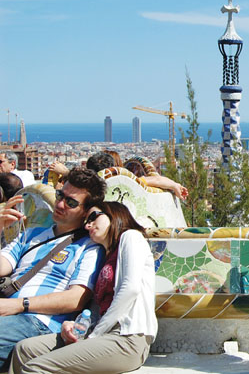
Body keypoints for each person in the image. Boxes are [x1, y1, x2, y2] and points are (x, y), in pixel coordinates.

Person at [10, 201, 157, 374]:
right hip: (102, 334)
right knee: (24, 350)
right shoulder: (106, 255)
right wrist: (78, 325)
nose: (88, 225)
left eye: (94, 217)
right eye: (86, 221)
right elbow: (97, 306)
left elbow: (130, 289)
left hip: (127, 337)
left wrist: (96, 334)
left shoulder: (131, 236)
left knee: (35, 369)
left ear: (115, 213)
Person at [0, 166, 107, 370]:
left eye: (71, 202)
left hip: (38, 322)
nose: (59, 204)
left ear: (87, 211)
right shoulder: (31, 235)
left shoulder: (89, 247)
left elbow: (76, 298)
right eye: (60, 195)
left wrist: (17, 305)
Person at [49, 152, 189, 200]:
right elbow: (156, 179)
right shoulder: (126, 184)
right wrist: (175, 185)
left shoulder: (86, 190)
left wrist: (66, 173)